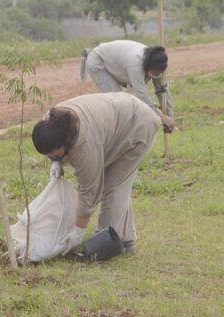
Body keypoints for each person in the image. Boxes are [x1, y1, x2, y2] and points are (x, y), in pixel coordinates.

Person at [31, 92, 161, 256]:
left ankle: (104, 244)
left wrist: (78, 233)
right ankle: (125, 241)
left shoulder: (84, 146)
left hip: (138, 125)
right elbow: (56, 150)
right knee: (118, 185)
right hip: (118, 116)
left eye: (56, 155)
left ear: (66, 142)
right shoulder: (49, 122)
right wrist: (56, 161)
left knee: (113, 186)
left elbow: (89, 192)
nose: (52, 157)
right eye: (49, 156)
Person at [82, 40, 175, 132]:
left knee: (125, 103)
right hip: (98, 62)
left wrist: (170, 116)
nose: (157, 75)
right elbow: (142, 96)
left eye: (159, 73)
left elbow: (162, 91)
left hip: (119, 64)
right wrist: (161, 116)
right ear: (147, 67)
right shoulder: (136, 64)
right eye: (154, 73)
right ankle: (111, 131)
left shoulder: (159, 64)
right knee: (120, 101)